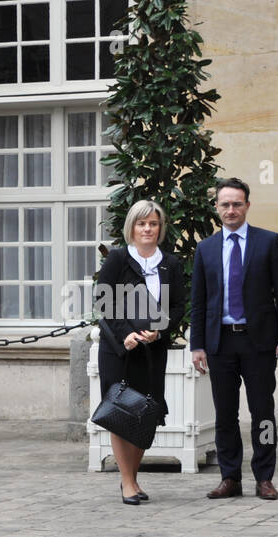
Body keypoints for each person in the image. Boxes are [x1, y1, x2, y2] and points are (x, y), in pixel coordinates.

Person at [190, 177, 278, 500]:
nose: (231, 209)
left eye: (237, 203)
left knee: (263, 412)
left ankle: (264, 477)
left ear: (247, 206)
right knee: (225, 414)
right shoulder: (206, 249)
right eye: (225, 204)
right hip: (220, 343)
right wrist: (197, 344)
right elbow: (199, 301)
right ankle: (230, 477)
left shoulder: (268, 242)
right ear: (217, 208)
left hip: (259, 342)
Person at [94, 199, 185, 504]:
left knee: (146, 412)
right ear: (131, 227)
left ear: (161, 228)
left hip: (151, 351)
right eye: (141, 223)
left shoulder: (170, 263)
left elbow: (177, 305)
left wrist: (160, 328)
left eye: (153, 223)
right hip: (119, 351)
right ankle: (127, 482)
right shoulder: (118, 259)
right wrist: (126, 335)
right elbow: (104, 302)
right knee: (121, 412)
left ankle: (132, 479)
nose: (147, 228)